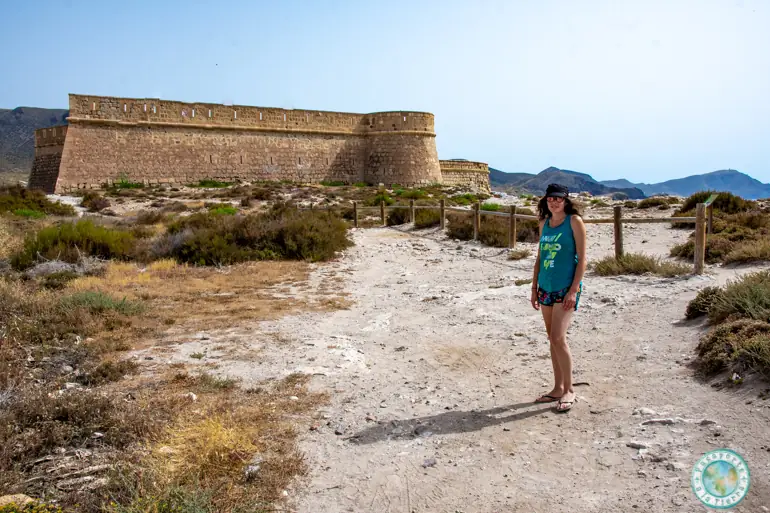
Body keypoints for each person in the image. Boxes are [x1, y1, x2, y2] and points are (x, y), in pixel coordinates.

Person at [529, 183, 587, 413]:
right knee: (551, 339)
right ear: (546, 200)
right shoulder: (543, 223)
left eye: (558, 198)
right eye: (551, 198)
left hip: (565, 287)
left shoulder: (574, 221)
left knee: (558, 338)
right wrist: (534, 288)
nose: (554, 202)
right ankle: (557, 387)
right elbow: (540, 258)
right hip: (545, 286)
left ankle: (569, 389)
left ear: (566, 200)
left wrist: (573, 290)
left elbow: (582, 259)